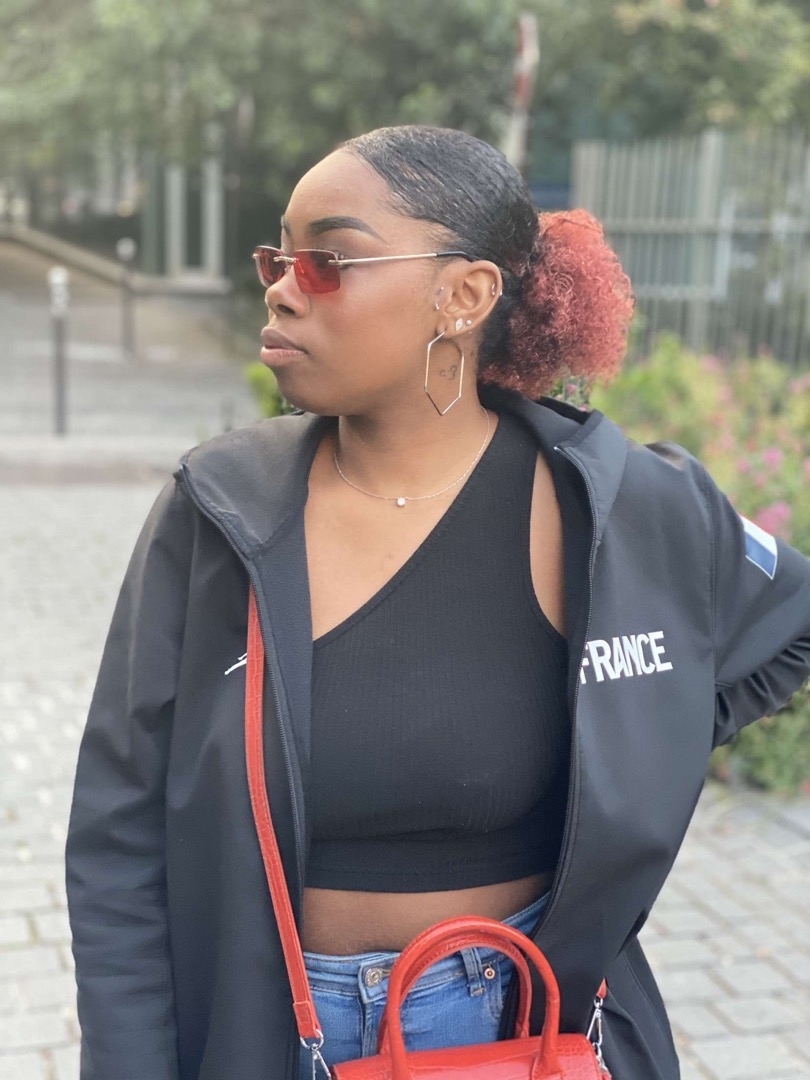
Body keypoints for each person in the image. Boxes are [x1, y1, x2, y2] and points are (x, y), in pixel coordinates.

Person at [65, 125, 810, 1080]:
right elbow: (119, 832)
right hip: (265, 1028)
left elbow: (790, 625)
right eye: (278, 259)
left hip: (519, 1026)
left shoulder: (619, 505)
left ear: (464, 296)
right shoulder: (217, 511)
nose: (283, 288)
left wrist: (637, 731)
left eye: (329, 261)